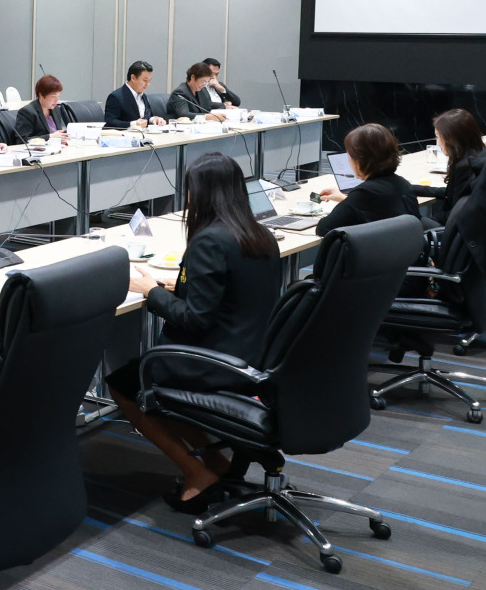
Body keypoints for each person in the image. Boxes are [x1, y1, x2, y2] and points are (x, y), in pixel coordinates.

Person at [106, 153, 281, 512]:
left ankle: (196, 473)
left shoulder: (210, 241)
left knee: (126, 384)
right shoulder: (260, 234)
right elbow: (232, 294)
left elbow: (196, 320)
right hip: (252, 355)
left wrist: (150, 292)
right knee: (153, 385)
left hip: (213, 360)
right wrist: (181, 286)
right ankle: (216, 463)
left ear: (200, 193)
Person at [413, 108, 486, 225]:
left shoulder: (466, 167)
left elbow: (455, 212)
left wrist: (430, 220)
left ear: (452, 140)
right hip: (473, 225)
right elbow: (452, 194)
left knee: (411, 220)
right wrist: (416, 189)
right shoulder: (478, 156)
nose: (438, 143)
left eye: (438, 136)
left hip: (454, 228)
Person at [315, 123, 421, 234]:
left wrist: (350, 200)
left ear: (360, 160)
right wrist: (346, 199)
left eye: (349, 156)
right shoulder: (403, 183)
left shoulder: (363, 193)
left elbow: (324, 228)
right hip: (409, 244)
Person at [104, 61, 167, 129]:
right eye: (145, 80)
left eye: (149, 81)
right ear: (133, 78)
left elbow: (144, 118)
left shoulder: (143, 96)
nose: (147, 84)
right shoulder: (116, 96)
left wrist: (154, 119)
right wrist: (133, 124)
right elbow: (110, 122)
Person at [14, 74, 70, 141]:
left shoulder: (56, 109)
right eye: (53, 96)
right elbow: (22, 140)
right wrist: (50, 136)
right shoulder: (27, 112)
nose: (56, 100)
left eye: (58, 96)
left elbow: (58, 134)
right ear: (41, 95)